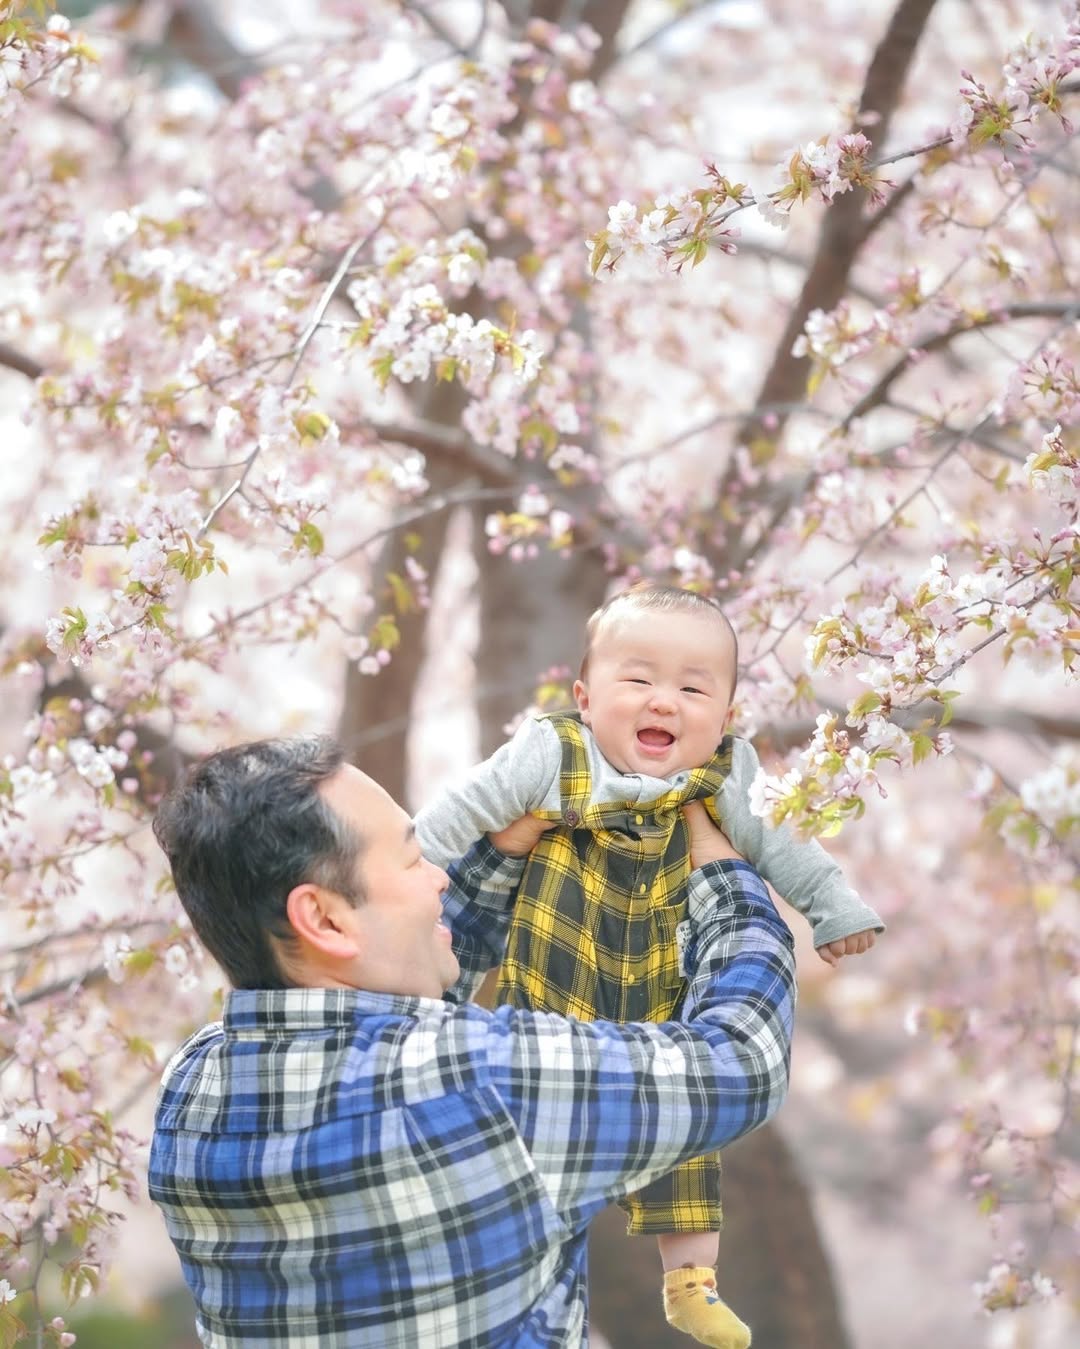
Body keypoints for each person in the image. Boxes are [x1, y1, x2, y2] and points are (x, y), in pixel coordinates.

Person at [148, 734, 796, 1348]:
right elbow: (740, 1060)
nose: (435, 874)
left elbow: (392, 1045)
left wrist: (503, 853)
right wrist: (723, 875)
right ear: (322, 917)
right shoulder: (482, 1081)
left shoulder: (190, 1091)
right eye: (411, 856)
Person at [416, 583, 883, 1349]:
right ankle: (515, 1252)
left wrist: (834, 908)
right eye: (638, 679)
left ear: (727, 717)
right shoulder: (553, 752)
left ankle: (689, 1281)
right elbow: (463, 808)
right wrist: (413, 863)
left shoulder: (725, 777)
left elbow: (784, 844)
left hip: (664, 976)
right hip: (558, 964)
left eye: (693, 688)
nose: (664, 700)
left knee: (686, 1130)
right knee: (528, 1129)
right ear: (585, 696)